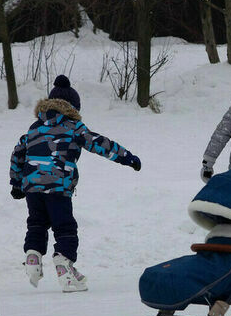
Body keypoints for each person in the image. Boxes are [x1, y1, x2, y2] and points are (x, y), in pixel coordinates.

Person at [10, 75, 141, 292]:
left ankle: (33, 258)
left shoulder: (34, 128)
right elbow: (100, 143)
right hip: (59, 187)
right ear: (73, 107)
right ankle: (65, 266)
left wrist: (16, 184)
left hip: (32, 187)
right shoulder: (74, 127)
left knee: (36, 224)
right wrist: (127, 158)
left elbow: (17, 154)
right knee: (64, 227)